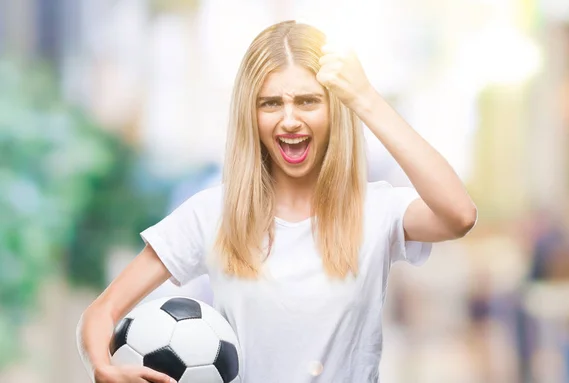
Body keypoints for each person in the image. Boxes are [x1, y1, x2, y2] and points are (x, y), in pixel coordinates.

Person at [76, 20, 477, 383]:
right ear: (251, 115)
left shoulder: (377, 210)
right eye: (271, 103)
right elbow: (101, 312)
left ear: (335, 110)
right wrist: (104, 369)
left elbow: (459, 215)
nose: (289, 120)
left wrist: (365, 98)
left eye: (308, 101)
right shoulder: (212, 214)